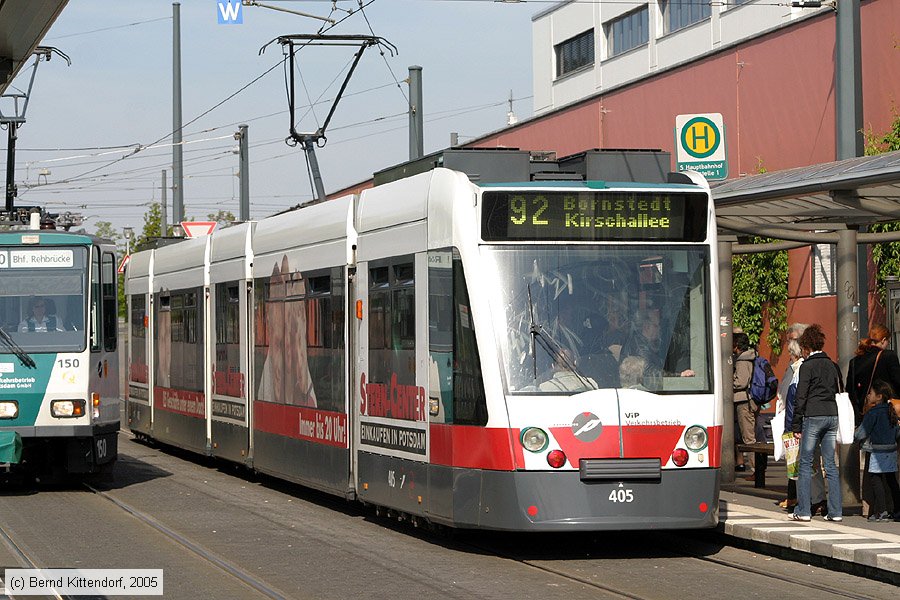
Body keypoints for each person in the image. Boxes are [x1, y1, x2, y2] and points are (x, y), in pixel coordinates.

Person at [789, 324, 843, 522]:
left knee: (805, 463)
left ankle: (803, 510)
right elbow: (840, 389)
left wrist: (796, 426)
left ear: (806, 347)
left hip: (813, 416)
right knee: (830, 464)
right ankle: (836, 511)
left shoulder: (807, 366)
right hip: (832, 416)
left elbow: (800, 397)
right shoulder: (832, 365)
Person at [777, 323, 826, 514]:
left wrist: (792, 427)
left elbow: (795, 399)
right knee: (817, 464)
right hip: (818, 419)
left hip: (803, 423)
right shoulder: (821, 365)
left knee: (802, 465)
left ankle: (804, 504)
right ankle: (817, 500)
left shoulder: (801, 369)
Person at [853, 379, 900, 522]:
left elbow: (862, 433)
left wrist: (854, 436)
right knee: (891, 480)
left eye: (871, 393)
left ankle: (882, 511)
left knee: (876, 480)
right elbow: (897, 432)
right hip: (891, 450)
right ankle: (897, 510)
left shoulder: (873, 413)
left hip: (877, 451)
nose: (868, 395)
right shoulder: (891, 410)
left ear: (879, 396)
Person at [846, 324, 900, 424]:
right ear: (883, 340)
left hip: (864, 414)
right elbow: (898, 381)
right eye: (888, 341)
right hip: (887, 413)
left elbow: (850, 390)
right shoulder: (889, 356)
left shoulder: (854, 361)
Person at [733, 333, 759, 478]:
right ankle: (756, 469)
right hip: (750, 400)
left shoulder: (742, 360)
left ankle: (756, 471)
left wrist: (729, 380)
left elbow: (741, 382)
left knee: (748, 438)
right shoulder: (750, 357)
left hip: (744, 402)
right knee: (749, 436)